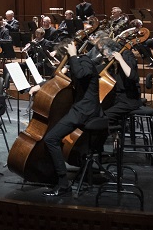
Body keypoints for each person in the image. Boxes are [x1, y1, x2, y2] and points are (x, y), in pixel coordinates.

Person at [41, 38, 100, 196]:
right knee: (53, 137)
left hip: (85, 111)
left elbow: (81, 74)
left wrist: (73, 55)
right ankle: (57, 175)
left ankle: (63, 183)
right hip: (80, 109)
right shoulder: (77, 62)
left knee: (50, 138)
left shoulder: (84, 60)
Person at [99, 38, 141, 126]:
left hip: (129, 99)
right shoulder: (110, 61)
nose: (105, 55)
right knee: (97, 113)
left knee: (105, 116)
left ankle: (114, 132)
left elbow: (132, 75)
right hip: (116, 98)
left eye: (106, 52)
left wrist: (120, 59)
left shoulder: (126, 55)